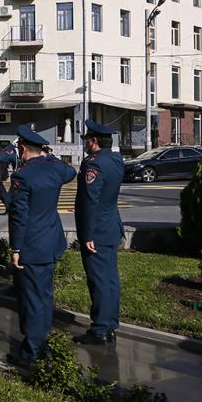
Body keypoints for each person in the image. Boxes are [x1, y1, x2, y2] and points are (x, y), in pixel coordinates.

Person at [7, 124, 76, 365]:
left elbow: (19, 216)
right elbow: (70, 172)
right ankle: (43, 343)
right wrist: (49, 156)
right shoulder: (54, 169)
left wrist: (16, 249)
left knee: (32, 299)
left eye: (19, 147)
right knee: (45, 296)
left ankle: (31, 352)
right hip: (51, 241)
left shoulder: (22, 176)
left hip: (31, 245)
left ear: (23, 148)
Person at [74, 119, 125, 345]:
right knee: (111, 280)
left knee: (99, 281)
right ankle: (110, 324)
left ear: (93, 141)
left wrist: (87, 234)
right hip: (111, 227)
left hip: (97, 232)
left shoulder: (93, 164)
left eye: (87, 138)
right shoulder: (115, 160)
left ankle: (100, 330)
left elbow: (90, 201)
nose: (85, 142)